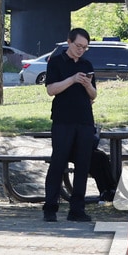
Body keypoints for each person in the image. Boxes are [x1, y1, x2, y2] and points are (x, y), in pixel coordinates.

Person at [42, 27, 97, 223]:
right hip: (63, 120)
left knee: (83, 165)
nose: (81, 50)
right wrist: (72, 79)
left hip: (84, 121)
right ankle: (50, 207)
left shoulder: (87, 64)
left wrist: (87, 84)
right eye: (78, 46)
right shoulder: (56, 62)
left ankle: (77, 209)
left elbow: (93, 95)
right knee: (58, 163)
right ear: (69, 42)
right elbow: (51, 89)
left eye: (85, 47)